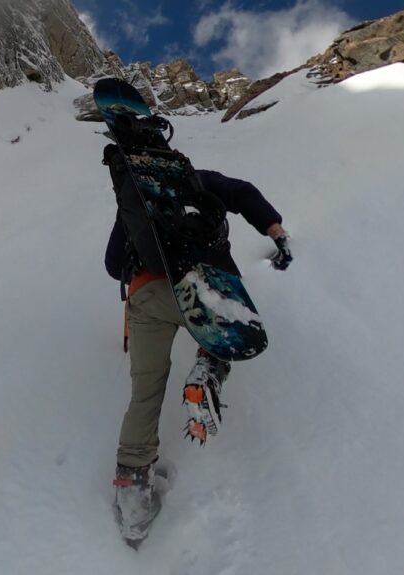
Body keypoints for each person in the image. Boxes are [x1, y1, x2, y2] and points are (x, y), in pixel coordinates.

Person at [102, 143, 291, 538]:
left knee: (145, 392)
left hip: (145, 293)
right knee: (223, 337)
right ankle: (207, 369)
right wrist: (274, 228)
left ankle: (133, 501)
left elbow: (111, 264)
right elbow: (244, 192)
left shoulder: (136, 199)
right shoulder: (199, 181)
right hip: (203, 284)